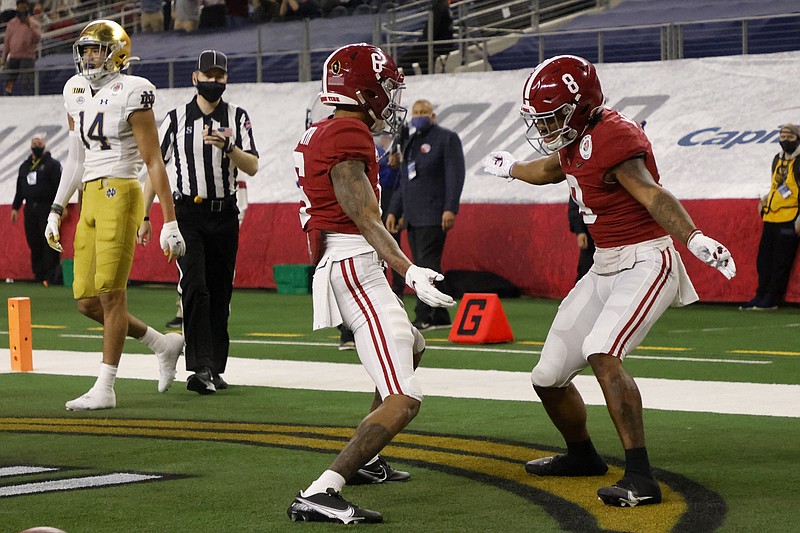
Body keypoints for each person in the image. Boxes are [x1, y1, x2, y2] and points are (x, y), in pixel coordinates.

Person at [482, 55, 736, 507]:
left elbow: (652, 193)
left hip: (646, 260)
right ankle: (582, 455)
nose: (546, 126)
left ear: (580, 106)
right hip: (605, 265)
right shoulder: (575, 135)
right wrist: (512, 168)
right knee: (547, 376)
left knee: (602, 350)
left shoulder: (615, 136)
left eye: (553, 116)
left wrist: (693, 237)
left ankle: (641, 476)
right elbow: (551, 168)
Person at [287, 43, 455, 524]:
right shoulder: (346, 134)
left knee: (414, 343)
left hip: (349, 262)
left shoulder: (325, 128)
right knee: (406, 398)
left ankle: (369, 459)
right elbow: (363, 215)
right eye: (385, 88)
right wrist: (410, 269)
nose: (391, 98)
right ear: (362, 91)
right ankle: (322, 490)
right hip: (355, 265)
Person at [44, 20, 186, 411]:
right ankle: (163, 342)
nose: (90, 57)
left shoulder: (133, 91)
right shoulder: (74, 90)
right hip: (89, 195)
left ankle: (105, 387)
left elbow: (153, 160)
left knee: (111, 294)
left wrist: (168, 220)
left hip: (120, 191)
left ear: (118, 52)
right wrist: (58, 208)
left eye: (97, 49)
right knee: (87, 302)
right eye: (85, 49)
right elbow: (75, 159)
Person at [139, 50, 259, 395]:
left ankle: (215, 368)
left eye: (220, 76)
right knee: (194, 286)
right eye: (208, 75)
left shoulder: (237, 116)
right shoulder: (176, 118)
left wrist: (229, 148)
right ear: (195, 78)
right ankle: (200, 367)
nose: (214, 81)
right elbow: (155, 167)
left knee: (221, 292)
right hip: (187, 213)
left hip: (225, 213)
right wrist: (144, 216)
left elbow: (251, 165)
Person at [385, 99, 464, 331]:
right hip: (412, 215)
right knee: (425, 264)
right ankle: (439, 315)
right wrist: (394, 211)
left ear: (433, 116)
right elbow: (404, 182)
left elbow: (455, 175)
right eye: (416, 112)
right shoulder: (411, 142)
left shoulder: (446, 139)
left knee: (425, 264)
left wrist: (450, 207)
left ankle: (424, 314)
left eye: (423, 112)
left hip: (434, 212)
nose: (418, 116)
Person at [741, 123, 800, 311]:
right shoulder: (777, 159)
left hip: (790, 217)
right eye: (782, 137)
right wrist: (765, 200)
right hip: (771, 217)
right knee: (764, 260)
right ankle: (761, 295)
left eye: (789, 137)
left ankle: (772, 299)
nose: (785, 141)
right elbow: (775, 185)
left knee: (781, 262)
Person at [11, 133, 63, 286]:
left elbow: (59, 187)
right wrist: (15, 207)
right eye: (34, 143)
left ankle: (51, 275)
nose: (36, 146)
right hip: (30, 208)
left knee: (48, 240)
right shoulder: (24, 167)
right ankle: (38, 274)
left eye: (39, 143)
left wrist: (60, 206)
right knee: (33, 241)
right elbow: (19, 189)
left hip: (47, 207)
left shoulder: (52, 165)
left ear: (44, 145)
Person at [1, 0, 41, 96]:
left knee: (26, 81)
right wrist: (4, 58)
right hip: (14, 57)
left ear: (28, 8)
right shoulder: (11, 23)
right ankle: (7, 94)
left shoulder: (34, 23)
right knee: (10, 80)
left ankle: (27, 97)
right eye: (20, 7)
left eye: (24, 8)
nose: (22, 10)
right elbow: (7, 42)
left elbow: (37, 39)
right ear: (17, 8)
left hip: (27, 57)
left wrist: (29, 25)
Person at [568, 196, 594, 281]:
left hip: (616, 233)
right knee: (585, 272)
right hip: (591, 235)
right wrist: (580, 231)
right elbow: (576, 202)